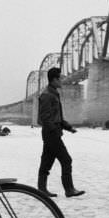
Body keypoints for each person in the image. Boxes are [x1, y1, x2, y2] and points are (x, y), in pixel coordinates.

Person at [36, 67, 84, 198]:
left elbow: (58, 117)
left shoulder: (53, 93)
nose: (61, 80)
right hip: (52, 134)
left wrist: (68, 127)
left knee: (46, 161)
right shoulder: (47, 95)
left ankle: (41, 190)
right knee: (66, 160)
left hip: (52, 133)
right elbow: (45, 117)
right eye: (59, 78)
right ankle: (69, 189)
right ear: (53, 80)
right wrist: (54, 131)